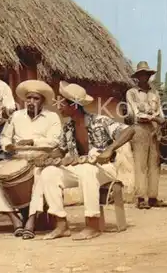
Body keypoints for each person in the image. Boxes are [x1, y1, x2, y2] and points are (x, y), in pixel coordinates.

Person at [39, 81, 136, 241]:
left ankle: (92, 224)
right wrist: (47, 157)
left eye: (61, 102)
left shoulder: (100, 120)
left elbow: (129, 130)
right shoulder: (68, 127)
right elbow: (60, 150)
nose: (58, 106)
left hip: (105, 169)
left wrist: (110, 149)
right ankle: (61, 224)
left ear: (74, 105)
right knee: (49, 173)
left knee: (87, 170)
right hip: (80, 169)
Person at [0, 79, 62, 240]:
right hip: (18, 158)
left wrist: (33, 142)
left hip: (40, 159)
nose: (31, 102)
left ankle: (31, 220)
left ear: (42, 101)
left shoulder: (52, 117)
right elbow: (5, 138)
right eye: (28, 98)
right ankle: (14, 218)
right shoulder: (16, 116)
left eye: (36, 98)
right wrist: (9, 146)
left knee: (39, 177)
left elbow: (55, 141)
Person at [126, 61, 167, 209]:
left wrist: (161, 120)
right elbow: (136, 114)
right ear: (137, 77)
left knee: (154, 164)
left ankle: (152, 197)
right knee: (140, 164)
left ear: (149, 76)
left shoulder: (154, 93)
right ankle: (140, 198)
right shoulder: (131, 93)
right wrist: (155, 118)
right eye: (141, 74)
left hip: (154, 130)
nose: (144, 77)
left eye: (146, 74)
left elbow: (160, 112)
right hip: (139, 129)